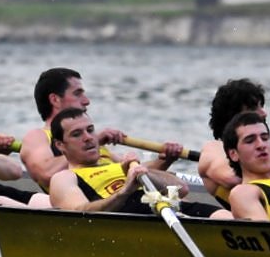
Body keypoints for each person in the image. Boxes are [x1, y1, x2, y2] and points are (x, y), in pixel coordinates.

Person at [48, 108, 232, 218]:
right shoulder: (64, 177)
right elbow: (80, 212)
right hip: (132, 216)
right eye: (77, 134)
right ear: (60, 145)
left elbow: (180, 188)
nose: (88, 138)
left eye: (90, 130)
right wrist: (125, 191)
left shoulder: (117, 164)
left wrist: (154, 167)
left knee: (225, 216)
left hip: (171, 209)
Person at [20, 67, 181, 192]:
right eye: (77, 94)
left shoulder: (92, 141)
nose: (86, 101)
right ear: (55, 99)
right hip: (100, 204)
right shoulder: (38, 136)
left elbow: (136, 173)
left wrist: (165, 159)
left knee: (178, 188)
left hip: (129, 195)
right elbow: (46, 174)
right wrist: (95, 140)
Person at [198, 78, 270, 206]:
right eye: (253, 108)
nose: (264, 113)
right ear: (234, 116)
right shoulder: (214, 148)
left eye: (261, 106)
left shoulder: (266, 156)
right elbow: (232, 178)